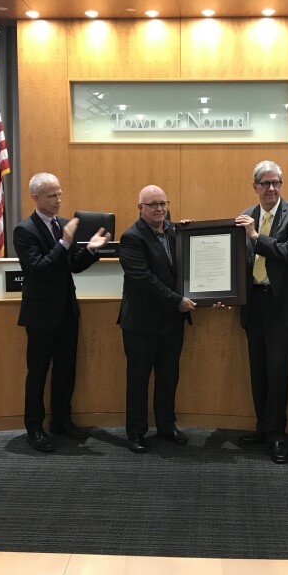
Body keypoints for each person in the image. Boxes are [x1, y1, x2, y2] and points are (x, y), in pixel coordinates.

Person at [13, 173, 111, 453]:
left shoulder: (65, 225)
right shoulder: (25, 230)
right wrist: (64, 243)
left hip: (67, 310)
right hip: (40, 314)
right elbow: (39, 269)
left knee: (66, 369)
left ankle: (62, 420)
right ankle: (34, 427)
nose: (57, 201)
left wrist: (91, 250)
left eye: (59, 194)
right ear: (35, 198)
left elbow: (72, 266)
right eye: (50, 196)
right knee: (38, 373)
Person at [235, 161, 288, 464]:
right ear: (254, 186)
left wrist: (256, 237)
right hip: (254, 304)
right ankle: (262, 427)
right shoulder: (246, 216)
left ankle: (278, 435)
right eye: (265, 183)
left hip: (282, 307)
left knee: (278, 371)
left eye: (276, 183)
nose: (271, 188)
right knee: (258, 370)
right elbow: (235, 259)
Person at [117, 185, 195, 453]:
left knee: (168, 376)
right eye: (153, 204)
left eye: (163, 203)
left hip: (172, 322)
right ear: (140, 208)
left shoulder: (176, 231)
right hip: (141, 324)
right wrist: (177, 301)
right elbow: (143, 280)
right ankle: (136, 432)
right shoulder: (131, 237)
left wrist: (192, 235)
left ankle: (166, 426)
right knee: (138, 380)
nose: (160, 209)